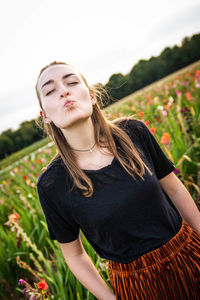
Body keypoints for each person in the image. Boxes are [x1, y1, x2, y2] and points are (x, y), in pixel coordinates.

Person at [35, 61, 200, 300]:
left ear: (92, 96)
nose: (64, 91)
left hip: (188, 254)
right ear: (45, 116)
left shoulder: (133, 133)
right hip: (137, 286)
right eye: (50, 91)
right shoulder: (51, 184)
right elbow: (74, 255)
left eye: (71, 82)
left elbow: (175, 190)